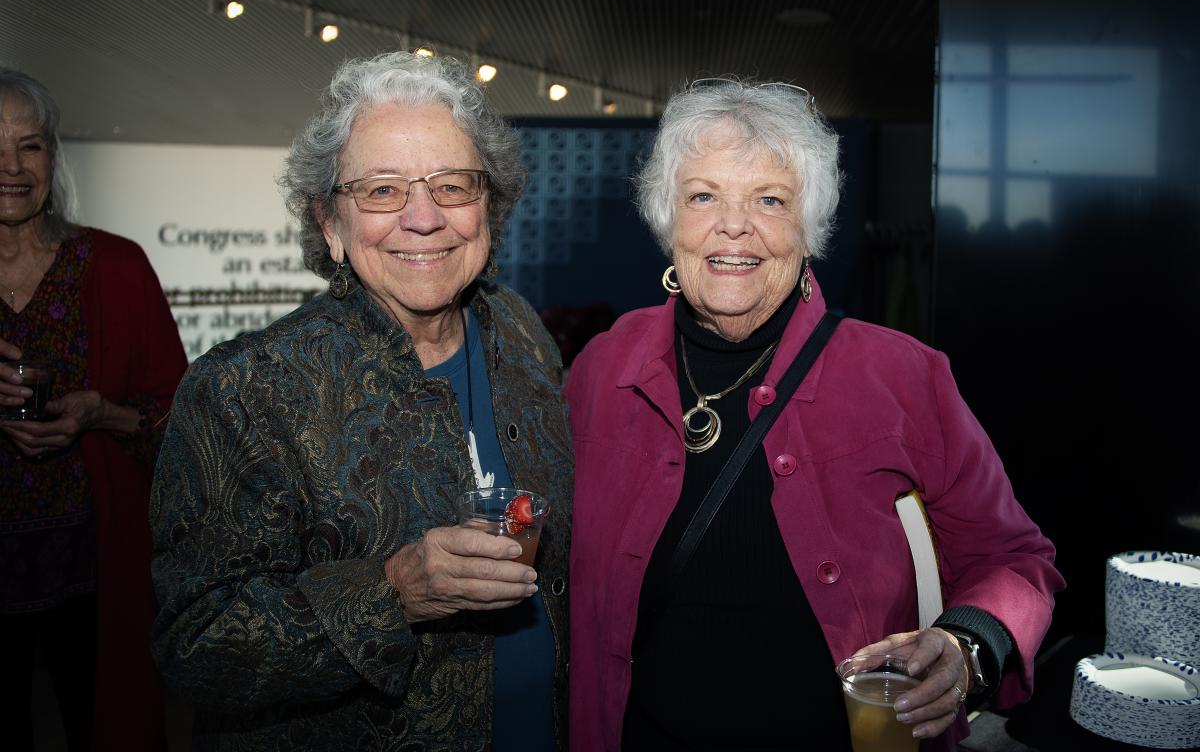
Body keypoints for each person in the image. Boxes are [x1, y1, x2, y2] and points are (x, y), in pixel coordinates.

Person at [565, 78, 1065, 751]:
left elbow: (1015, 558)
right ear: (668, 218)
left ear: (809, 228)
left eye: (769, 199)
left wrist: (968, 643)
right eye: (703, 195)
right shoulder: (602, 367)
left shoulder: (905, 375)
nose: (733, 224)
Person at [150, 52, 573, 750]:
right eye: (381, 191)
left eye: (454, 185)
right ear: (329, 224)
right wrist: (390, 594)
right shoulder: (244, 389)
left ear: (488, 206)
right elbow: (195, 646)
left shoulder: (523, 336)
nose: (425, 217)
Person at [0, 68, 186, 751]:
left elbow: (179, 424)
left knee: (103, 725)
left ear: (53, 157)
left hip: (94, 571)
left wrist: (99, 413)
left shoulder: (116, 266)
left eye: (29, 145)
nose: (11, 168)